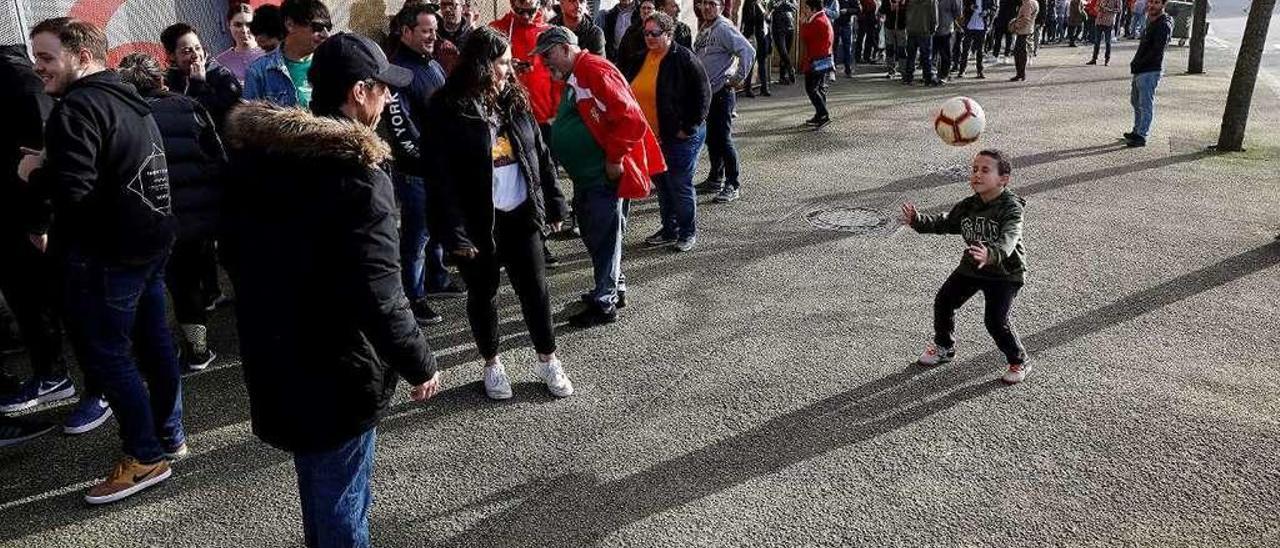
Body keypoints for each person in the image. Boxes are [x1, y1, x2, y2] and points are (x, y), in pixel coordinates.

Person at [221, 32, 442, 545]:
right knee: (341, 499)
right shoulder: (357, 174)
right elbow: (378, 289)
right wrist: (419, 359)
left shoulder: (262, 157)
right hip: (335, 363)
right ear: (359, 92)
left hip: (277, 348)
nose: (390, 99)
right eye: (383, 90)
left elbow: (231, 250)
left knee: (322, 488)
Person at [21, 17, 184, 504]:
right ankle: (168, 434)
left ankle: (144, 457)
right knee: (155, 343)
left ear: (83, 56)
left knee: (109, 356)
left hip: (108, 255)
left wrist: (35, 172)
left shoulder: (76, 110)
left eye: (47, 56)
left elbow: (75, 191)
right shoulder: (127, 99)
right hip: (149, 245)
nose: (38, 67)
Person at [422, 27, 573, 399]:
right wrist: (453, 232)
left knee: (536, 292)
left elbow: (539, 155)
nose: (510, 69)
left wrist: (554, 203)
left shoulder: (514, 100)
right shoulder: (446, 107)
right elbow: (439, 178)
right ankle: (492, 364)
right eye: (503, 62)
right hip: (477, 224)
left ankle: (548, 359)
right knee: (483, 295)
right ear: (481, 64)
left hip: (521, 215)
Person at [538, 27, 665, 325]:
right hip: (590, 175)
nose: (545, 63)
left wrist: (614, 158)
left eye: (548, 55)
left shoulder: (594, 70)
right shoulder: (579, 72)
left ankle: (605, 302)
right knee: (598, 230)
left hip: (601, 174)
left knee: (604, 234)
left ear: (566, 48)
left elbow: (631, 120)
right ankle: (612, 286)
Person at [117, 53, 227, 373]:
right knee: (191, 282)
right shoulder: (189, 107)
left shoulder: (126, 116)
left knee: (166, 285)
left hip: (152, 217)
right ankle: (198, 349)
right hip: (196, 218)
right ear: (161, 80)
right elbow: (216, 158)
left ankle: (162, 352)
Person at [901, 149, 1030, 385]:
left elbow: (1009, 239)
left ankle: (1019, 359)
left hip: (1005, 273)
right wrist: (918, 221)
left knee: (995, 321)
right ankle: (944, 347)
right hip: (973, 266)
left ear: (1004, 178)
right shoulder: (969, 205)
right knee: (944, 301)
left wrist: (991, 254)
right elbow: (947, 222)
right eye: (974, 169)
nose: (977, 175)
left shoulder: (1011, 208)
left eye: (985, 170)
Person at [0, 44, 74, 418]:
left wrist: (38, 220)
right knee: (27, 298)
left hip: (25, 217)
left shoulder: (18, 82)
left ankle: (54, 374)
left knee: (36, 296)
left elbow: (40, 157)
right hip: (17, 214)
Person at [386, 2, 459, 326]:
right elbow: (402, 131)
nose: (433, 36)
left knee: (435, 231)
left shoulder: (432, 64)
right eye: (426, 31)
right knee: (416, 238)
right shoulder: (398, 73)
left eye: (435, 30)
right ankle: (413, 297)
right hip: (416, 172)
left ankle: (437, 278)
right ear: (406, 32)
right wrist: (429, 162)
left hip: (439, 168)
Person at [625, 13, 710, 251]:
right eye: (646, 33)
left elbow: (704, 95)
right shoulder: (641, 58)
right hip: (652, 137)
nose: (649, 37)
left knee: (679, 183)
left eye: (655, 33)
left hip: (680, 136)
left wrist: (688, 127)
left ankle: (687, 232)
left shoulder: (683, 59)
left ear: (669, 35)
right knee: (662, 185)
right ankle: (669, 229)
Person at [695, 0, 755, 204]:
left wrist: (737, 79)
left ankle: (733, 183)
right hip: (708, 94)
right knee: (712, 138)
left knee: (723, 139)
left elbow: (748, 51)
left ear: (721, 6)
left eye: (712, 3)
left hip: (722, 92)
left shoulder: (723, 27)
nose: (707, 7)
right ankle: (715, 178)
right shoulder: (705, 27)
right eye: (704, 3)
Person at [243, 0, 332, 108]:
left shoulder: (332, 66)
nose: (325, 35)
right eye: (318, 27)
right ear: (290, 24)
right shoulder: (259, 73)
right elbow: (247, 122)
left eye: (328, 28)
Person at [160, 23, 243, 130]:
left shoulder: (221, 75)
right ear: (171, 55)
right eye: (187, 51)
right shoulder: (168, 79)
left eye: (198, 48)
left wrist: (199, 85)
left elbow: (217, 116)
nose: (196, 55)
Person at [1125, 0, 1170, 148]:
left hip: (1150, 70)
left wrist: (1140, 63)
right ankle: (1137, 130)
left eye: (1156, 2)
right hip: (1141, 68)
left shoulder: (1163, 25)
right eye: (1150, 2)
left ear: (1163, 5)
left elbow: (1156, 51)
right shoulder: (1151, 21)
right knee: (1136, 102)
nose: (1152, 5)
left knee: (1145, 104)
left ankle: (1142, 135)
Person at [800, 0, 835, 127]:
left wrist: (803, 23)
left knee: (811, 89)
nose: (805, 11)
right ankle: (819, 114)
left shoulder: (817, 21)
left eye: (806, 8)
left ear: (813, 9)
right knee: (819, 88)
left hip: (816, 60)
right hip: (822, 59)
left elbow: (805, 36)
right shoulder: (822, 18)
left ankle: (823, 114)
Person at [215, 2, 265, 83]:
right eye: (238, 25)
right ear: (228, 25)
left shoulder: (271, 55)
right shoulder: (220, 62)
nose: (244, 30)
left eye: (249, 24)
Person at [615, 0, 660, 76]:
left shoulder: (660, 30)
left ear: (655, 11)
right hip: (631, 74)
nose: (646, 11)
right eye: (643, 8)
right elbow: (621, 55)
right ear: (640, 11)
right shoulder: (631, 30)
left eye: (649, 8)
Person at [903, 0, 940, 86]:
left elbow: (907, 13)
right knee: (926, 56)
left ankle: (908, 77)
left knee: (911, 55)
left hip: (912, 30)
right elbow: (935, 17)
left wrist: (908, 27)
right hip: (924, 30)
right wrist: (933, 29)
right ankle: (927, 78)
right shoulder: (932, 1)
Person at [956, 0, 994, 79]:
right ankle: (962, 70)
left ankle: (980, 71)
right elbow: (963, 6)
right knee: (966, 49)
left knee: (980, 50)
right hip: (970, 25)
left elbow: (994, 8)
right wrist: (970, 7)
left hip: (981, 26)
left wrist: (987, 12)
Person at [741, 0, 772, 97]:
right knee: (751, 62)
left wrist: (768, 16)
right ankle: (748, 88)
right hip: (753, 36)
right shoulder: (749, 3)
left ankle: (764, 87)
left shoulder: (762, 3)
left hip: (763, 36)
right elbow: (747, 19)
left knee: (762, 61)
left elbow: (767, 20)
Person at [438, 0, 476, 72]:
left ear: (462, 8)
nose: (447, 9)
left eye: (452, 5)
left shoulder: (471, 33)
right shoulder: (435, 34)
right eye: (443, 5)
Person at [769, 0, 798, 85]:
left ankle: (782, 77)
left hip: (789, 28)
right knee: (783, 51)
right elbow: (771, 8)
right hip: (778, 29)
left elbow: (795, 7)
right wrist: (778, 4)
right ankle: (790, 68)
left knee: (785, 54)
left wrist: (785, 2)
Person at [1009, 0, 1038, 81]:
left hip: (1023, 32)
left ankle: (1021, 74)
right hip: (1029, 30)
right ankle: (1021, 74)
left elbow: (1026, 19)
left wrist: (1015, 26)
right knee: (1022, 53)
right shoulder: (1034, 2)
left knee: (1019, 54)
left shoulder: (1027, 3)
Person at [934, 0, 962, 81]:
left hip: (947, 29)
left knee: (945, 54)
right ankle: (932, 74)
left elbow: (957, 13)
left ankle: (944, 74)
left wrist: (958, 25)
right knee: (933, 54)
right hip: (932, 30)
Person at [879, 0, 907, 79]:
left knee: (902, 49)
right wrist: (890, 8)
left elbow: (909, 10)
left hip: (901, 27)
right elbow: (881, 10)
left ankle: (903, 71)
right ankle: (891, 70)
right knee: (889, 48)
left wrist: (901, 7)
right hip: (889, 27)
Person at [1088, 0, 1121, 65]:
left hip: (1108, 22)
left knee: (1108, 42)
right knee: (1097, 41)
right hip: (1099, 21)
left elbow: (1118, 10)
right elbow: (1096, 7)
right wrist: (1099, 8)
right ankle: (1094, 59)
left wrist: (1108, 9)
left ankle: (1107, 60)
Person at [832, 0, 858, 77]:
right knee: (834, 47)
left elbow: (857, 9)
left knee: (847, 47)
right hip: (836, 23)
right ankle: (832, 69)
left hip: (846, 24)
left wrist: (847, 10)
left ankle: (848, 69)